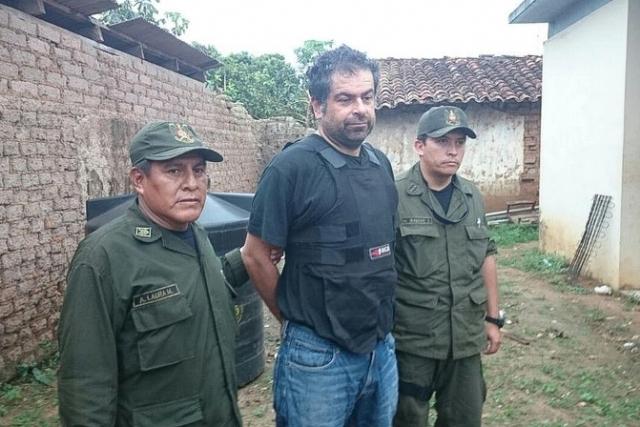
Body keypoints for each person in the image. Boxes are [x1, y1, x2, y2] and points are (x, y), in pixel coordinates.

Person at [242, 45, 399, 427]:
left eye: (367, 97)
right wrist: (292, 320)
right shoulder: (291, 168)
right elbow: (255, 254)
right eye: (345, 99)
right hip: (318, 358)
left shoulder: (380, 165)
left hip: (380, 349)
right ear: (316, 105)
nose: (359, 108)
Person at [58, 122, 249, 426]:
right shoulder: (104, 257)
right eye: (174, 171)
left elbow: (199, 287)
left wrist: (248, 257)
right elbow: (85, 384)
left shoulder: (196, 234)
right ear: (139, 180)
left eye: (199, 170)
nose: (191, 183)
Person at [392, 106, 503, 427]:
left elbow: (486, 255)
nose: (453, 151)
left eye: (460, 142)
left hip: (465, 335)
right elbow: (379, 267)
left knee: (465, 417)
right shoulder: (395, 195)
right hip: (414, 337)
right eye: (442, 142)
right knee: (407, 419)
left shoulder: (471, 196)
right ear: (419, 145)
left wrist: (493, 318)